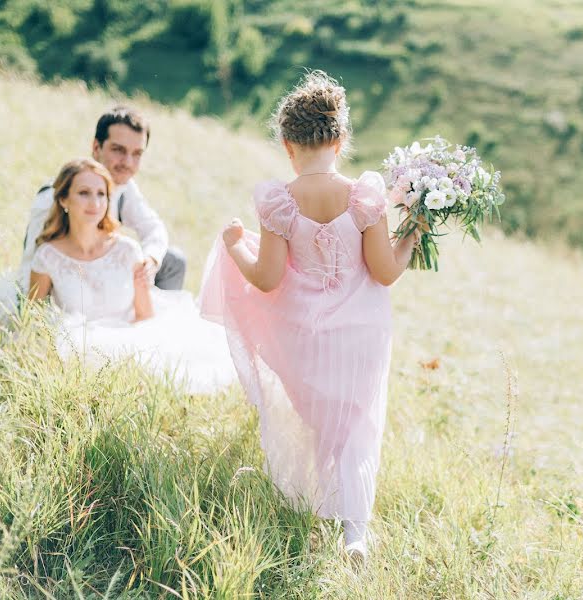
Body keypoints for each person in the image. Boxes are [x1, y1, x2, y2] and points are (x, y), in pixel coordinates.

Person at [198, 71, 420, 563]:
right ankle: (354, 533)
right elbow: (384, 272)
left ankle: (316, 505)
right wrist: (411, 237)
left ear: (286, 144)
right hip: (361, 333)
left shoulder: (279, 201)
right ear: (341, 140)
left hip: (304, 335)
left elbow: (267, 278)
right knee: (358, 425)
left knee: (321, 420)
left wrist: (235, 247)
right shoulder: (365, 196)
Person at [29, 158, 236, 395]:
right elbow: (33, 315)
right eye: (84, 193)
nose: (95, 203)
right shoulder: (48, 255)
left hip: (129, 338)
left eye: (102, 194)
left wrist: (121, 348)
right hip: (76, 346)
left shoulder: (126, 250)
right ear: (64, 199)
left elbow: (145, 315)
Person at [0, 106, 185, 322]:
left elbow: (153, 227)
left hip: (107, 274)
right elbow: (34, 261)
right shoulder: (52, 198)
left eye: (137, 154)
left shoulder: (125, 187)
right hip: (66, 286)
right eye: (118, 150)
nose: (127, 163)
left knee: (173, 261)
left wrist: (150, 260)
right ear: (96, 147)